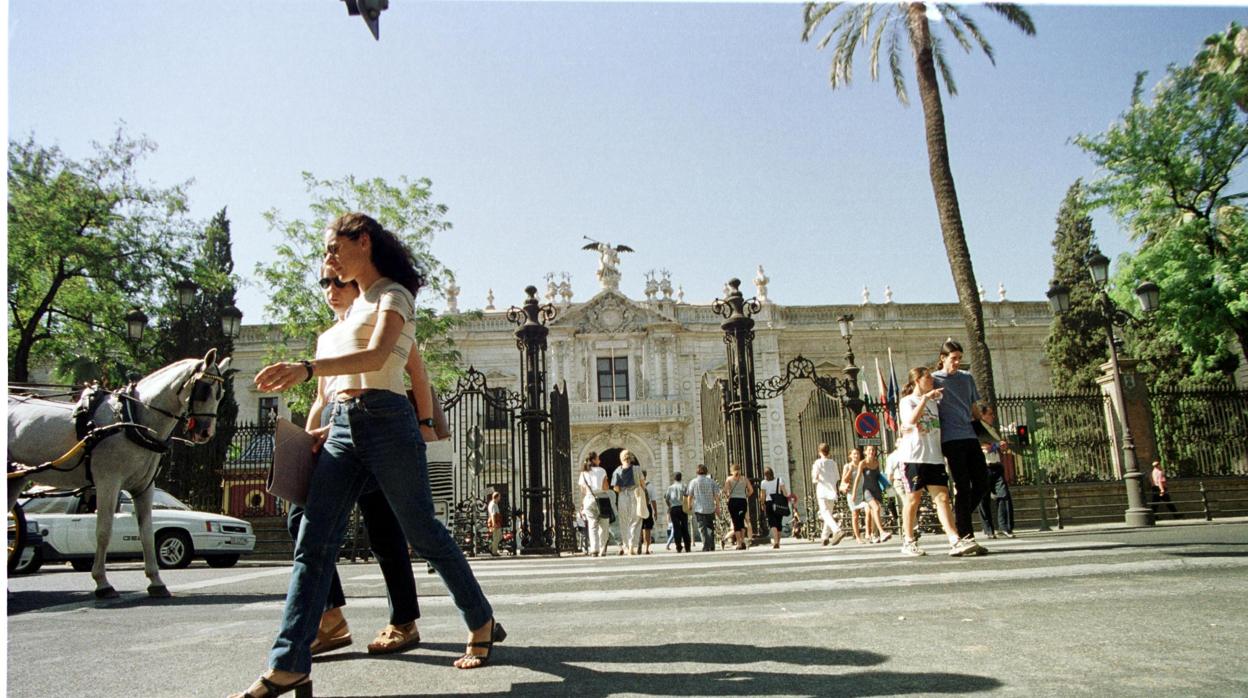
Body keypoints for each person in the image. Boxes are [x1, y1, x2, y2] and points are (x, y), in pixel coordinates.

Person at [237, 213, 504, 698]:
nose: (329, 260)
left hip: (388, 422)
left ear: (363, 242)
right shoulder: (348, 312)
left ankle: (480, 618)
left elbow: (380, 357)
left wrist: (306, 368)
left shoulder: (392, 296)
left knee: (422, 531)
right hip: (342, 428)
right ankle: (288, 663)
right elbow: (340, 384)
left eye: (334, 248)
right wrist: (321, 426)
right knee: (313, 541)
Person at [284, 264, 423, 659]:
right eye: (324, 282)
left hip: (368, 425)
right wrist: (305, 440)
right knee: (300, 519)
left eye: (339, 281)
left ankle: (403, 621)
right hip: (331, 428)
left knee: (383, 527)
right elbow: (321, 397)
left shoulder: (378, 318)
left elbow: (414, 374)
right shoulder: (326, 337)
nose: (331, 289)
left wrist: (427, 423)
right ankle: (331, 618)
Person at [896, 366, 961, 557]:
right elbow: (910, 422)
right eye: (928, 378)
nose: (932, 381)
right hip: (913, 458)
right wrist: (924, 399)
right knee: (913, 499)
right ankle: (908, 540)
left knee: (942, 498)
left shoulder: (934, 403)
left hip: (934, 457)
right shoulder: (907, 401)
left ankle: (954, 539)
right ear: (917, 381)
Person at [933, 340, 990, 556]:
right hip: (950, 439)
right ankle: (966, 535)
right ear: (943, 358)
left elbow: (974, 407)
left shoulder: (967, 378)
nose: (957, 362)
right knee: (963, 485)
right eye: (953, 358)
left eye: (959, 358)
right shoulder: (934, 379)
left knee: (983, 481)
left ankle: (959, 517)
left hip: (969, 435)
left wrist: (985, 432)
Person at [975, 402, 1015, 538]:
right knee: (983, 498)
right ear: (982, 415)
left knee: (1003, 495)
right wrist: (996, 445)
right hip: (983, 466)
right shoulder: (977, 430)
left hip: (996, 466)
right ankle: (988, 530)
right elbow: (985, 448)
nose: (993, 416)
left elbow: (996, 446)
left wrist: (1001, 446)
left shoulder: (993, 430)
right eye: (990, 414)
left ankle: (1005, 527)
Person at [810, 443, 848, 546]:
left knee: (824, 513)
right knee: (829, 513)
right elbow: (837, 478)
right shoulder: (833, 463)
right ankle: (825, 536)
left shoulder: (817, 463)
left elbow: (814, 478)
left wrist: (817, 478)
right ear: (829, 452)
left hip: (822, 490)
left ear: (819, 452)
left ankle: (837, 530)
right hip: (832, 490)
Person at [579, 452, 612, 557]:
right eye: (598, 459)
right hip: (602, 498)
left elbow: (583, 490)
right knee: (604, 525)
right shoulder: (602, 471)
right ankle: (602, 549)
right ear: (593, 460)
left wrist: (583, 503)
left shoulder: (583, 473)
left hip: (588, 499)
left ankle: (594, 549)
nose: (600, 460)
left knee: (592, 525)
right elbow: (605, 487)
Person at [612, 449, 642, 555]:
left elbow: (616, 488)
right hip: (635, 495)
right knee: (635, 521)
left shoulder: (617, 471)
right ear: (631, 457)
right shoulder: (637, 469)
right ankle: (632, 545)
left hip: (622, 497)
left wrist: (622, 490)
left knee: (624, 522)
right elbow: (642, 484)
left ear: (621, 459)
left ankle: (626, 545)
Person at [858, 445, 891, 543]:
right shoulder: (862, 463)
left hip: (876, 489)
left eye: (873, 450)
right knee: (876, 508)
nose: (872, 452)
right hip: (867, 490)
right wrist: (855, 493)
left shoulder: (877, 462)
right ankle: (881, 532)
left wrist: (886, 485)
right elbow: (858, 478)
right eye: (869, 450)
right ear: (865, 452)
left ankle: (873, 534)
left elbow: (878, 476)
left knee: (873, 512)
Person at [685, 464, 720, 552]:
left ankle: (705, 546)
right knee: (710, 527)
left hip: (699, 508)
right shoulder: (712, 481)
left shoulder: (693, 482)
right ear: (706, 471)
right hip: (710, 508)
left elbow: (690, 495)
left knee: (702, 528)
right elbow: (716, 496)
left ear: (697, 472)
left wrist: (689, 505)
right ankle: (711, 545)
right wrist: (717, 506)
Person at [839, 447, 869, 542]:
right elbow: (844, 480)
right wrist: (850, 470)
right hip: (852, 493)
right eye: (854, 454)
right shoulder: (847, 466)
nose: (856, 455)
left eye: (858, 454)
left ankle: (868, 533)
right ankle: (858, 537)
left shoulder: (862, 465)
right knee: (855, 515)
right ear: (850, 456)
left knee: (868, 509)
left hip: (863, 492)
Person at [722, 463, 754, 550]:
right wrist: (745, 495)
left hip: (733, 501)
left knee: (736, 523)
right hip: (742, 501)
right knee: (741, 521)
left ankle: (739, 543)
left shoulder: (729, 479)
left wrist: (728, 495)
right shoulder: (744, 479)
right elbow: (751, 490)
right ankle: (743, 541)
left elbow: (724, 490)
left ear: (731, 471)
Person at [758, 467, 790, 549]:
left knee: (772, 522)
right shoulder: (779, 480)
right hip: (779, 504)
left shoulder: (763, 483)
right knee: (779, 522)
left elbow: (763, 495)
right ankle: (778, 542)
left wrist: (762, 504)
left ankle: (775, 541)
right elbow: (785, 493)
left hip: (769, 503)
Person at [666, 472, 691, 553]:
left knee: (676, 528)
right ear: (681, 477)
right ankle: (687, 546)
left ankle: (678, 546)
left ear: (674, 478)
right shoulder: (684, 486)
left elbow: (667, 498)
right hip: (683, 508)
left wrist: (669, 505)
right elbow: (687, 496)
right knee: (685, 527)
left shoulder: (670, 488)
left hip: (674, 508)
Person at [640, 469, 658, 554]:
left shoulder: (637, 486)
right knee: (647, 529)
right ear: (646, 476)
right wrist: (655, 512)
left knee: (638, 528)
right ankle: (646, 549)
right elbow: (653, 500)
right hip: (647, 507)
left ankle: (639, 547)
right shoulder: (650, 486)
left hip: (639, 508)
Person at [487, 492, 504, 556]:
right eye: (499, 497)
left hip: (496, 522)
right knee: (496, 537)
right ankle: (494, 552)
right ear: (496, 497)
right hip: (495, 522)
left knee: (499, 536)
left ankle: (491, 547)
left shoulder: (494, 504)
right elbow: (493, 515)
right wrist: (494, 524)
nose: (500, 498)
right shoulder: (493, 504)